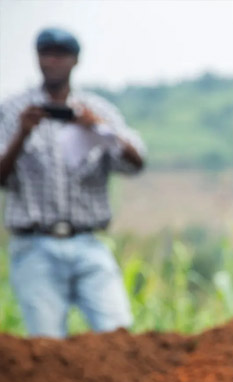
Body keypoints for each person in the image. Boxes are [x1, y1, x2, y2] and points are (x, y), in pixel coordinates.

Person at [0, 28, 146, 338]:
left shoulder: (97, 110)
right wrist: (21, 135)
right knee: (47, 348)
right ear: (37, 58)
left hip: (89, 242)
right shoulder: (12, 111)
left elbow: (137, 162)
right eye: (45, 54)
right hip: (34, 245)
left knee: (118, 337)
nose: (52, 62)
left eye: (60, 55)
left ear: (74, 60)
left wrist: (100, 130)